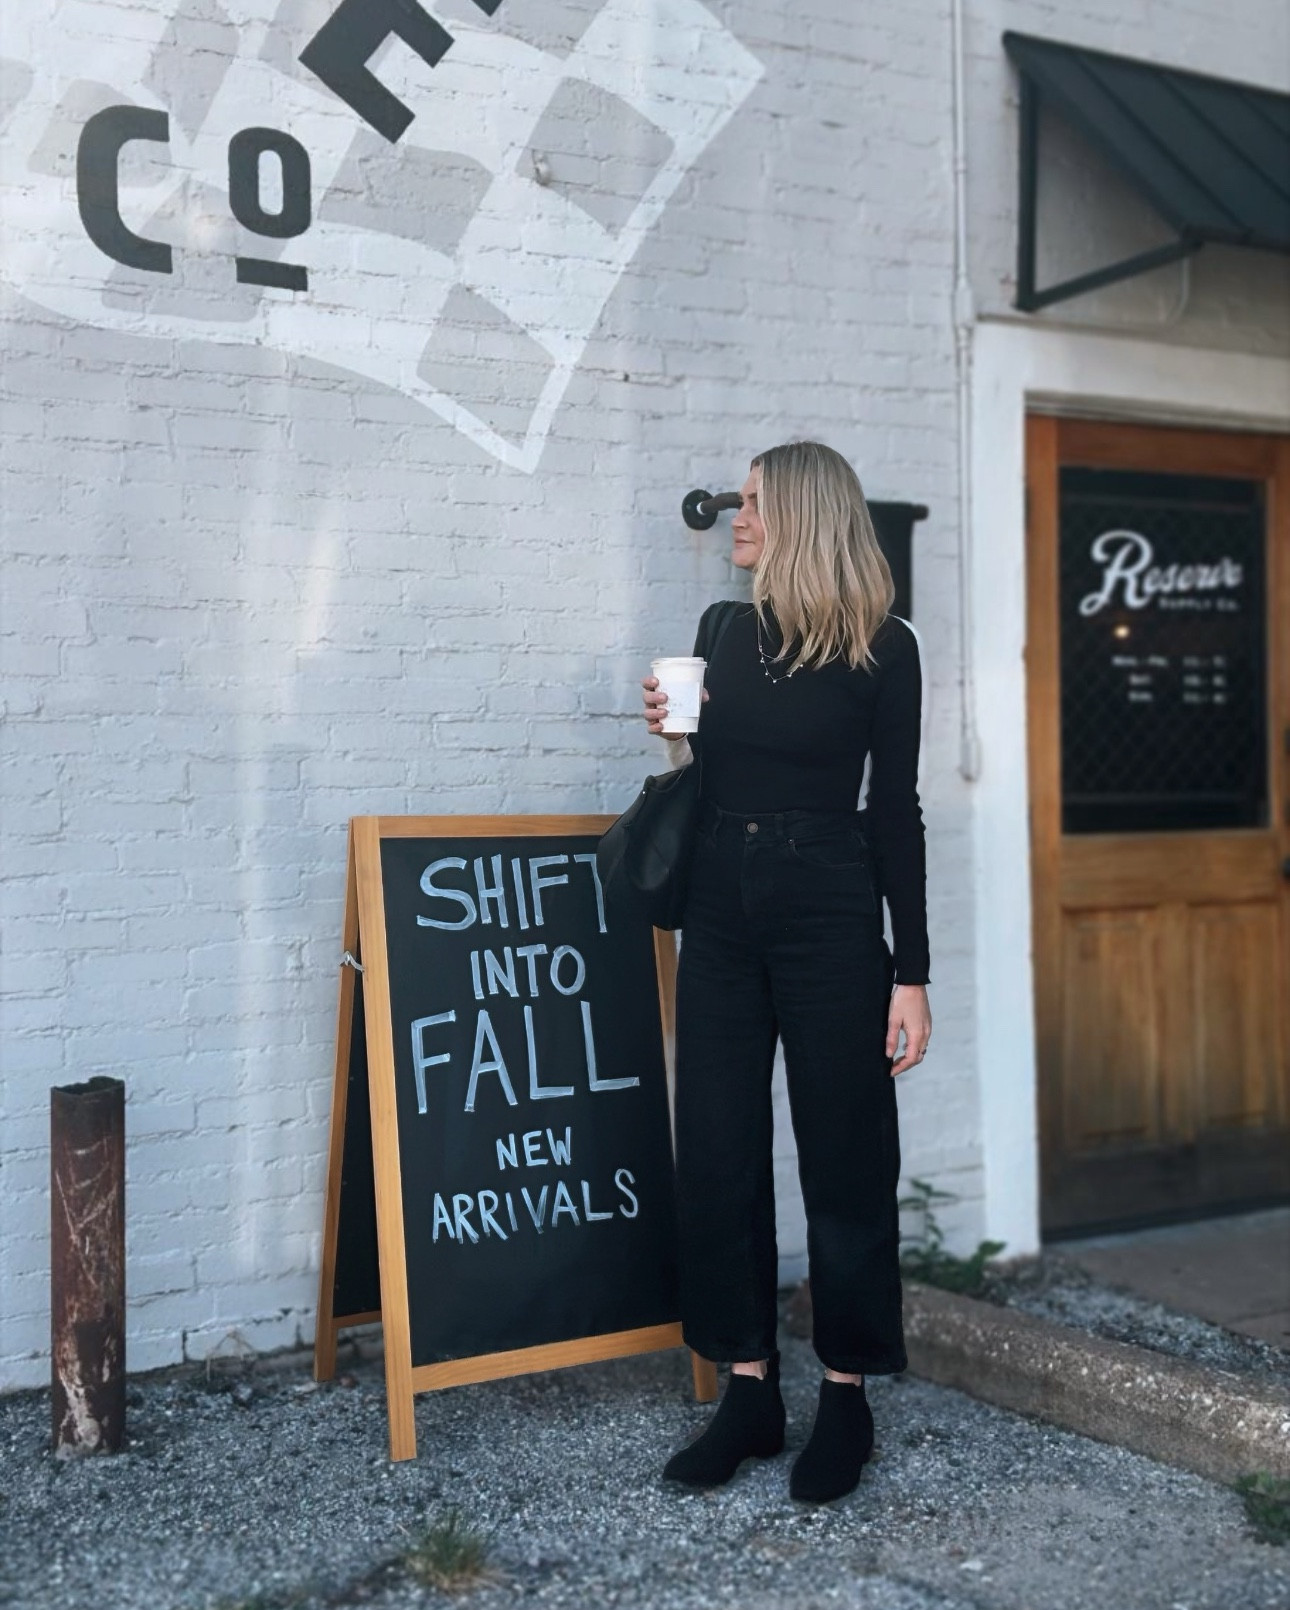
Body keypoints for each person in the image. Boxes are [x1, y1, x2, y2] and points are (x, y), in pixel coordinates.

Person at [640, 439, 931, 1504]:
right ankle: (750, 1390)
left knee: (846, 1154)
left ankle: (845, 1394)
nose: (733, 517)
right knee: (715, 1145)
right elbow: (708, 772)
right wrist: (674, 728)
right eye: (735, 500)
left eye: (752, 502)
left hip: (831, 909)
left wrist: (913, 972)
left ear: (804, 514)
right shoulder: (723, 629)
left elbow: (893, 812)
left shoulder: (882, 648)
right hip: (720, 904)